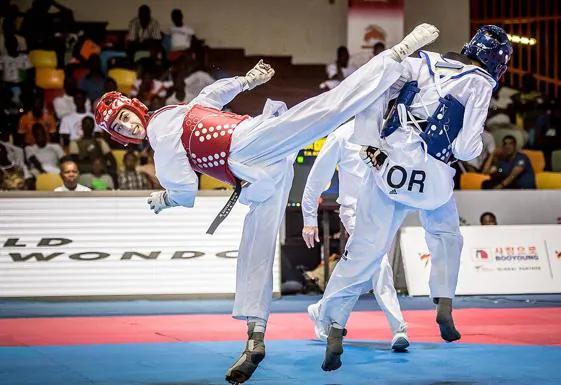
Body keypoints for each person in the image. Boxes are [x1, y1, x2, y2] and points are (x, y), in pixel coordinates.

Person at [93, 23, 440, 385]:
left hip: (249, 145)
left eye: (125, 116)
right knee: (256, 249)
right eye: (121, 125)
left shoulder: (160, 132)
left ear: (134, 108)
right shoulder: (171, 118)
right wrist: (246, 82)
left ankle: (396, 54)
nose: (129, 125)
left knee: (327, 109)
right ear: (119, 136)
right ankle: (254, 339)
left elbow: (184, 191)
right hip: (256, 173)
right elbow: (210, 97)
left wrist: (163, 199)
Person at [312, 25, 513, 371]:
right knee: (445, 233)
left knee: (364, 250)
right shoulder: (480, 82)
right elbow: (466, 147)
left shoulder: (421, 61)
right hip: (432, 176)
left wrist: (371, 140)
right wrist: (476, 144)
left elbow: (374, 93)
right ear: (496, 62)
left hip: (388, 167)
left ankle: (335, 326)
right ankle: (444, 302)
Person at [301, 120, 409, 352]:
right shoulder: (341, 136)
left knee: (363, 272)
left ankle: (322, 309)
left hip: (383, 212)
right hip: (354, 213)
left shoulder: (389, 131)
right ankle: (398, 328)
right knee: (379, 264)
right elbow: (316, 179)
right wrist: (309, 219)